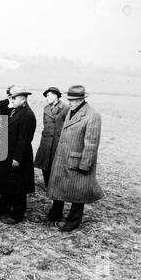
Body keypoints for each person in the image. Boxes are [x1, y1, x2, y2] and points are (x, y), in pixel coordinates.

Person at [47, 85, 104, 232]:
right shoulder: (71, 111)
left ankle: (73, 222)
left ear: (81, 100)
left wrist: (85, 165)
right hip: (63, 158)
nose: (69, 102)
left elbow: (91, 144)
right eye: (68, 99)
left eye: (72, 100)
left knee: (79, 193)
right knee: (59, 186)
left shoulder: (92, 116)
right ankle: (55, 214)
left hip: (77, 161)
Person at [0, 86, 36, 224]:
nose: (11, 100)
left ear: (23, 99)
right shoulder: (16, 111)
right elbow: (7, 128)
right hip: (8, 152)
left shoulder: (27, 114)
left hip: (18, 156)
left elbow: (24, 139)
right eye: (11, 97)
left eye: (14, 97)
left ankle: (17, 215)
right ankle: (4, 208)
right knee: (7, 183)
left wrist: (17, 158)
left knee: (19, 187)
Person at [34, 87, 70, 190]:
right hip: (46, 141)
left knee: (56, 165)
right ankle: (47, 185)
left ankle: (54, 186)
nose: (47, 98)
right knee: (45, 165)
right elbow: (45, 125)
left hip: (57, 141)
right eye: (46, 96)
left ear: (55, 96)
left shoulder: (65, 108)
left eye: (48, 96)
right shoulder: (46, 108)